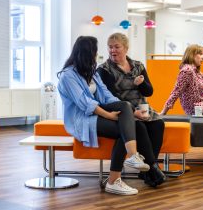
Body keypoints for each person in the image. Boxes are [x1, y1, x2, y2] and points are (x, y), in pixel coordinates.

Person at [57, 36, 150, 196]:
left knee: (124, 105)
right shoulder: (68, 76)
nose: (96, 55)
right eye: (94, 52)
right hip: (82, 119)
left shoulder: (90, 73)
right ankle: (116, 178)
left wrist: (130, 111)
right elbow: (85, 103)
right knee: (124, 129)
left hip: (97, 113)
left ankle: (127, 164)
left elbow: (107, 96)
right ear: (86, 53)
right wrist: (109, 115)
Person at [97, 33, 166, 187]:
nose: (112, 50)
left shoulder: (138, 65)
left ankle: (147, 170)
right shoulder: (104, 69)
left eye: (116, 47)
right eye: (110, 47)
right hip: (125, 109)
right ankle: (152, 168)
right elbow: (110, 96)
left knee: (158, 124)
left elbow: (149, 92)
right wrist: (133, 111)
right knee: (139, 127)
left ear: (126, 48)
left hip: (143, 107)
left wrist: (140, 84)